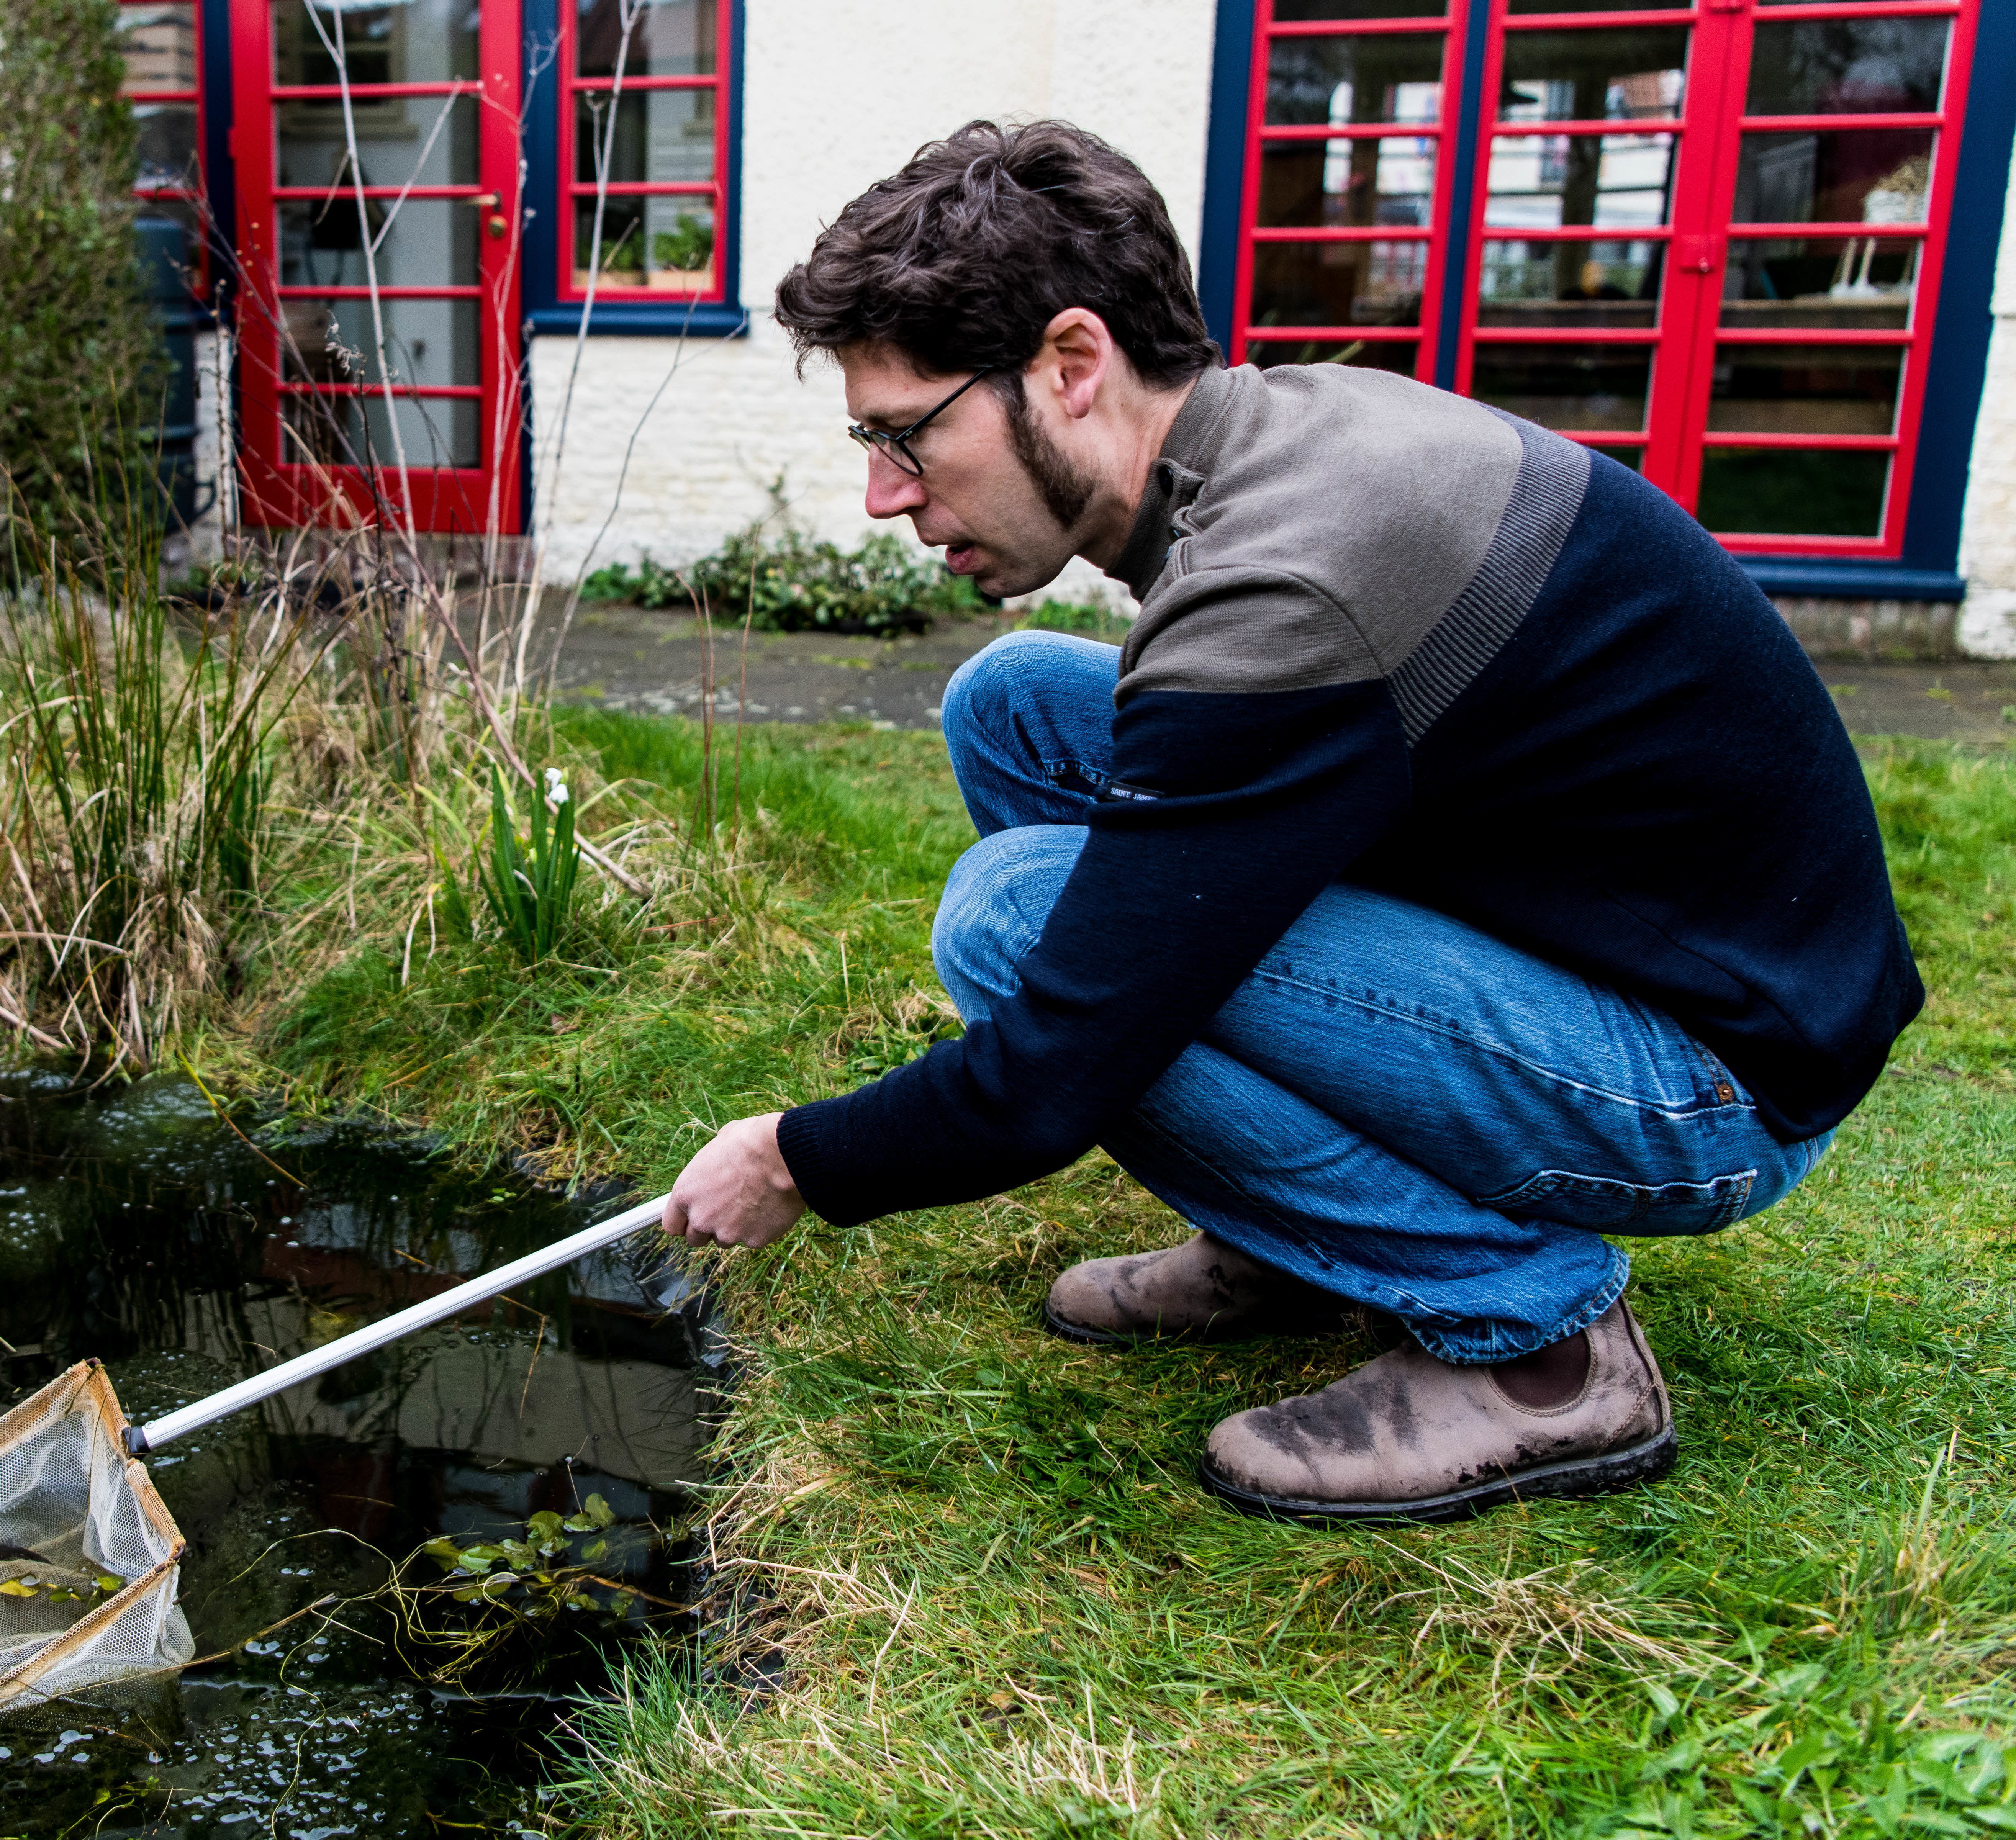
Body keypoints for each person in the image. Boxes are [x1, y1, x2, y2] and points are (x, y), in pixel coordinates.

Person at [654, 120, 1922, 1524]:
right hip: (1604, 931)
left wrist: (793, 1158)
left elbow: (1054, 1070)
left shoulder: (1284, 587)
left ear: (1071, 367)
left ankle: (1537, 1348)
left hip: (1710, 1079)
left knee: (1013, 923)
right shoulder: (1275, 437)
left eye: (907, 433)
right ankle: (1298, 1231)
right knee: (1012, 707)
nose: (884, 492)